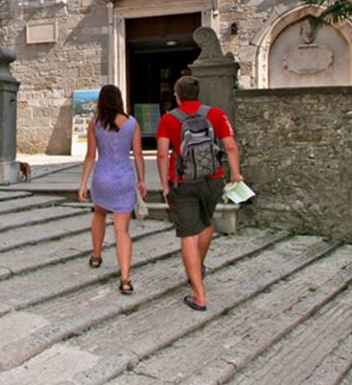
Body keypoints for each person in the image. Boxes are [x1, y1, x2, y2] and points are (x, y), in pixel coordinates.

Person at [156, 75, 243, 311]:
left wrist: (164, 184)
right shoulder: (215, 114)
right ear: (197, 94)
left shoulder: (168, 119)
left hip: (182, 182)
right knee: (206, 223)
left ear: (177, 95)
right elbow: (231, 145)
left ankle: (199, 295)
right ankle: (199, 267)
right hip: (212, 179)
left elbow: (163, 154)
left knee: (188, 235)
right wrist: (235, 173)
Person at [77, 84, 147, 294]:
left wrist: (83, 183)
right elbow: (139, 154)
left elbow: (91, 156)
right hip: (125, 177)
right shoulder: (132, 123)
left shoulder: (95, 124)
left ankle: (96, 256)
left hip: (102, 177)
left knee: (99, 214)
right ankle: (125, 278)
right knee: (122, 230)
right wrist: (142, 180)